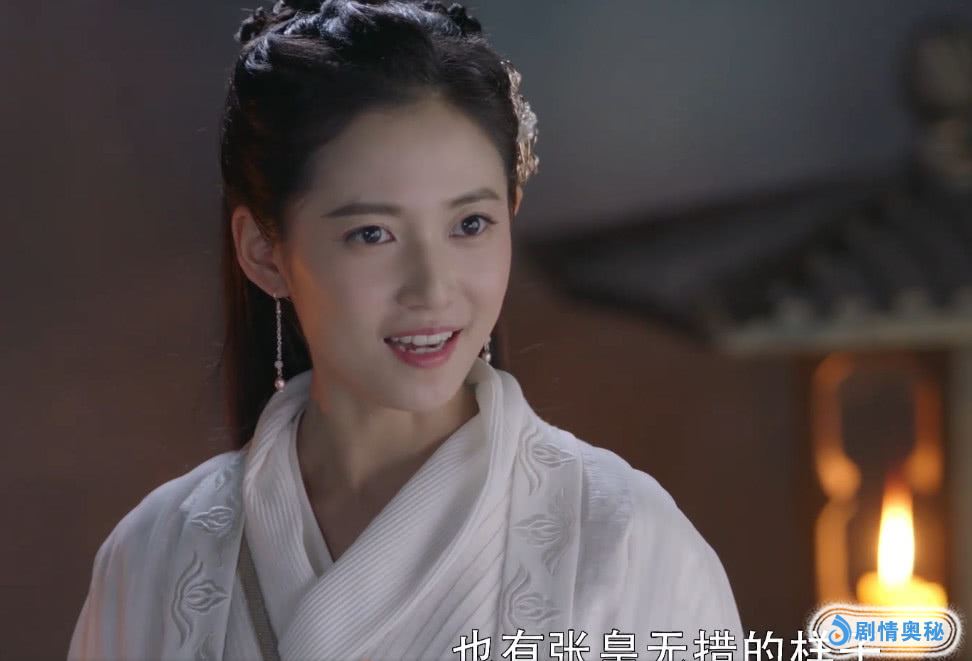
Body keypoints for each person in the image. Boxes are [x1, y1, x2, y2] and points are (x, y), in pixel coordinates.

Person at [68, 1, 744, 659]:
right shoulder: (156, 554)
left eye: (470, 224)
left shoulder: (625, 540)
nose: (433, 287)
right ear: (265, 252)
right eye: (372, 233)